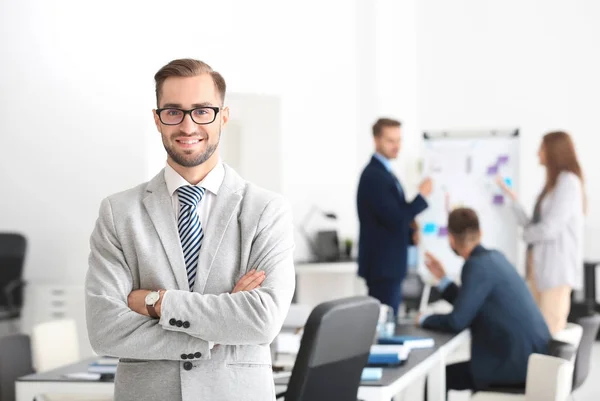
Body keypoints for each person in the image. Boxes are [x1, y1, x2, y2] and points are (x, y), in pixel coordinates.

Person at [85, 58, 295, 401]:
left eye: (202, 111)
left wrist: (158, 303)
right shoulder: (118, 213)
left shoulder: (265, 210)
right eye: (173, 112)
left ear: (223, 116)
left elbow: (262, 320)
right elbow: (105, 329)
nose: (187, 125)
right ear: (157, 119)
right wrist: (217, 329)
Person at [418, 208, 550, 396]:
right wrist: (443, 278)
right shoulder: (495, 258)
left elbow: (457, 320)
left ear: (451, 240)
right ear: (480, 233)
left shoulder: (475, 266)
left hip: (516, 365)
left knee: (438, 378)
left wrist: (424, 319)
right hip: (533, 359)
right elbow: (469, 304)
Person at [497, 131, 585, 335]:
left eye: (542, 149)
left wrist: (526, 235)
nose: (538, 153)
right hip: (538, 271)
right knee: (536, 332)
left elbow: (549, 229)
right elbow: (535, 224)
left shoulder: (568, 182)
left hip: (555, 273)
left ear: (555, 151)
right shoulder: (552, 186)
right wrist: (513, 200)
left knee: (550, 334)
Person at [357, 118, 432, 317]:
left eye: (399, 140)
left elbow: (391, 217)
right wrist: (421, 196)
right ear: (376, 140)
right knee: (385, 324)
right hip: (383, 267)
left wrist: (410, 233)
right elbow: (395, 218)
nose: (396, 146)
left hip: (390, 265)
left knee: (390, 320)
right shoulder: (375, 176)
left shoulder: (386, 173)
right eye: (390, 140)